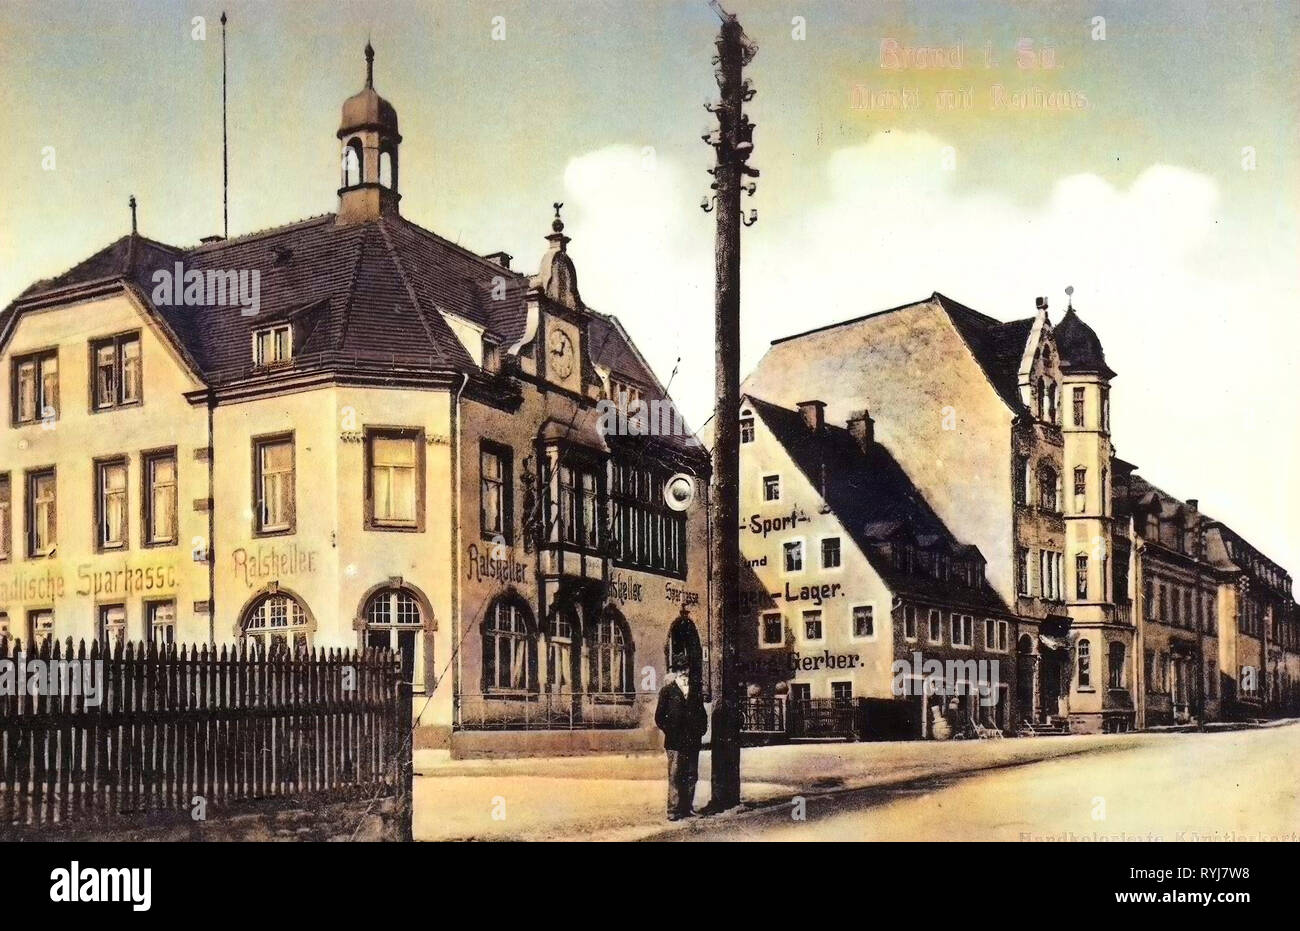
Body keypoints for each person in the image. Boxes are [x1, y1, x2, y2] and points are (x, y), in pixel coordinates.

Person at [654, 661, 708, 820]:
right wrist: (670, 731)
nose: (683, 672)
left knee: (691, 774)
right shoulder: (667, 691)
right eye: (680, 669)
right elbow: (659, 717)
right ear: (675, 672)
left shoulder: (695, 691)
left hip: (692, 740)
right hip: (675, 742)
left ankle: (687, 807)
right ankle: (673, 810)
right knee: (675, 774)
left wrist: (700, 731)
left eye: (686, 668)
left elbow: (702, 715)